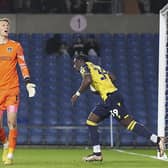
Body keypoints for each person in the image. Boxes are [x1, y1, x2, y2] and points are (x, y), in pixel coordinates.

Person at [71, 54, 166, 162]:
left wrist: (77, 94)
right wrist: (104, 86)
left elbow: (87, 80)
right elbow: (112, 76)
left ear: (81, 61)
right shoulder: (96, 66)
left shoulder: (85, 67)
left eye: (75, 62)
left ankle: (157, 140)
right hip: (110, 97)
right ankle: (97, 153)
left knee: (129, 123)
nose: (74, 66)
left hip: (111, 98)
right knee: (91, 121)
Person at [0, 18, 36, 165]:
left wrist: (28, 83)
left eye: (7, 25)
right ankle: (5, 142)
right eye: (2, 25)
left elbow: (23, 65)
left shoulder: (15, 46)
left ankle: (10, 154)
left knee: (11, 121)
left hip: (12, 90)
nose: (5, 27)